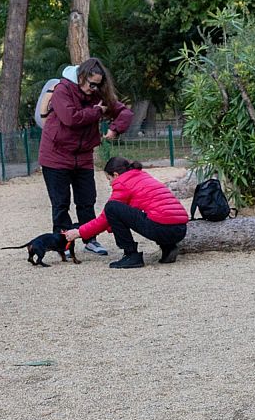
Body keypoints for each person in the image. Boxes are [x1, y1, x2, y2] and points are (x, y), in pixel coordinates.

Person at [38, 58, 133, 256]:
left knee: (86, 201)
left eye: (98, 84)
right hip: (55, 156)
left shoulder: (97, 94)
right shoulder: (62, 90)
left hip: (83, 157)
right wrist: (97, 111)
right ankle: (62, 242)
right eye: (91, 84)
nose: (94, 88)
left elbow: (125, 112)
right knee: (61, 202)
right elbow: (71, 118)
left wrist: (115, 129)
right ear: (81, 76)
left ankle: (90, 240)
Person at [63, 157, 188, 269]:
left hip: (160, 229)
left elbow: (106, 217)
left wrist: (79, 232)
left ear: (116, 175)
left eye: (109, 179)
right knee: (157, 213)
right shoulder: (142, 176)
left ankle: (131, 255)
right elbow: (126, 214)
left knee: (111, 207)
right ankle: (168, 248)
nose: (109, 183)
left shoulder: (122, 183)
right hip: (181, 229)